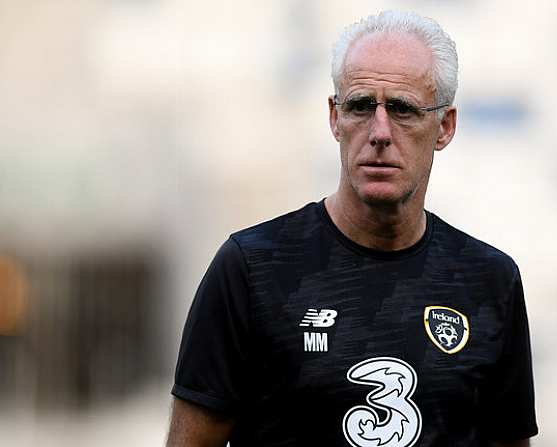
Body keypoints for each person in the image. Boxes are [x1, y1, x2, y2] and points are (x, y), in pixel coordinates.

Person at [166, 10, 537, 447]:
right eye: (361, 106)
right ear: (334, 118)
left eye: (402, 109)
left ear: (445, 126)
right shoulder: (251, 268)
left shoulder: (489, 281)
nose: (380, 131)